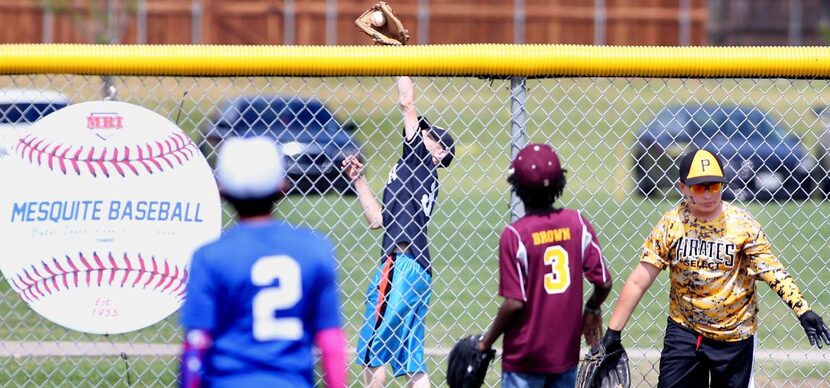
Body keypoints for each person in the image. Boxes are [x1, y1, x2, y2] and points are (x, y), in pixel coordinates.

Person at [602, 148, 830, 387]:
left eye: (715, 186)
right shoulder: (671, 224)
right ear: (682, 188)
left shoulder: (741, 225)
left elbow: (772, 271)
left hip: (734, 335)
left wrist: (803, 310)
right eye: (700, 187)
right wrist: (613, 332)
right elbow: (640, 279)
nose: (709, 194)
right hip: (685, 330)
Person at [179, 137, 347, 388]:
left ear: (222, 191)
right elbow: (330, 341)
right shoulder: (315, 249)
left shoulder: (209, 257)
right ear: (283, 185)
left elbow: (196, 343)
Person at [342, 76, 455, 388]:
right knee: (410, 360)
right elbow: (377, 219)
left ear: (440, 151)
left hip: (401, 264)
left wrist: (398, 60)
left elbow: (407, 102)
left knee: (372, 347)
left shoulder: (420, 161)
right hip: (417, 268)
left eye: (428, 135)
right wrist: (360, 181)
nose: (420, 133)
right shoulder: (411, 173)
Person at [476, 143, 614, 388]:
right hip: (565, 354)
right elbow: (603, 281)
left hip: (524, 357)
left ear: (517, 187)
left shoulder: (516, 235)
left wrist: (485, 343)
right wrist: (592, 308)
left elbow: (515, 302)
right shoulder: (577, 224)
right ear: (561, 182)